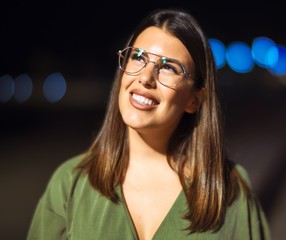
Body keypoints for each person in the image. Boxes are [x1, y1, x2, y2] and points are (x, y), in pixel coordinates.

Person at [27, 8, 271, 240]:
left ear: (194, 100)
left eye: (168, 67)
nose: (145, 77)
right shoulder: (70, 184)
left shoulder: (228, 191)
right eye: (138, 57)